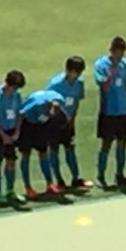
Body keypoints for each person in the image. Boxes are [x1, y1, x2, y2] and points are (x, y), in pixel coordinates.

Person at [94, 37, 126, 190]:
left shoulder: (125, 65)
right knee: (106, 144)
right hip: (108, 111)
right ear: (111, 50)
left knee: (122, 143)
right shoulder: (101, 65)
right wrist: (111, 72)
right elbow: (104, 86)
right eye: (117, 52)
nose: (120, 56)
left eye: (122, 53)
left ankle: (120, 175)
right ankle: (100, 176)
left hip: (122, 111)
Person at [47, 56, 92, 190]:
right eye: (76, 72)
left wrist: (72, 118)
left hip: (69, 122)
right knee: (54, 151)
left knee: (70, 149)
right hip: (54, 123)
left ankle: (76, 178)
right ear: (68, 70)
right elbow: (48, 102)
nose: (78, 75)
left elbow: (76, 101)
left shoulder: (79, 83)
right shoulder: (56, 84)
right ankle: (59, 180)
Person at [17, 90, 68, 199]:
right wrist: (17, 132)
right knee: (26, 155)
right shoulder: (37, 104)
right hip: (27, 125)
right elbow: (21, 114)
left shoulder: (60, 100)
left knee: (43, 153)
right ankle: (28, 187)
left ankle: (49, 184)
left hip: (41, 126)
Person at [0, 70, 26, 206]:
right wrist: (3, 136)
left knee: (11, 160)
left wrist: (17, 132)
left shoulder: (17, 95)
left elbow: (19, 113)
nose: (15, 90)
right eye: (14, 87)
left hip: (12, 130)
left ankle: (10, 190)